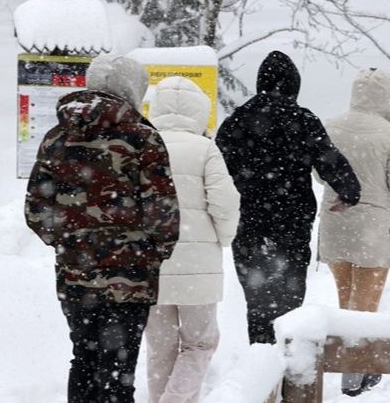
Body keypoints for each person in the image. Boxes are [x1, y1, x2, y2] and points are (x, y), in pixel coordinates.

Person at [25, 55, 180, 403]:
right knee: (117, 370)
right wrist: (153, 253)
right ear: (131, 88)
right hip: (130, 273)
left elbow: (37, 210)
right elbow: (163, 214)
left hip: (75, 274)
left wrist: (69, 243)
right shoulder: (142, 138)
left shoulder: (56, 137)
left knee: (83, 357)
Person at [215, 50, 361, 344]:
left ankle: (260, 360)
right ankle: (287, 369)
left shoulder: (235, 122)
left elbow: (217, 172)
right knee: (289, 305)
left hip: (249, 223)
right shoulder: (302, 119)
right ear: (294, 85)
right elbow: (329, 159)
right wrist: (349, 192)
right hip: (291, 223)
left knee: (257, 305)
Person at [317, 68, 390, 396]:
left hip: (335, 222)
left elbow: (321, 176)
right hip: (372, 227)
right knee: (366, 304)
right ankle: (353, 372)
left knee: (347, 299)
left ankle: (356, 364)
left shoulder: (330, 125)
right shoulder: (389, 134)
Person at [143, 76, 240, 403]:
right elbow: (225, 203)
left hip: (151, 263)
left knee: (160, 346)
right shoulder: (205, 149)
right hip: (198, 266)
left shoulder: (142, 145)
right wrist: (224, 238)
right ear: (199, 111)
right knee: (200, 343)